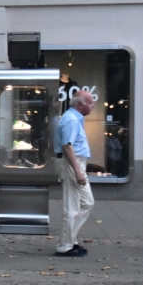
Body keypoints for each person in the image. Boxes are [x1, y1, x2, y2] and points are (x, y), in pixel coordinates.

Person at [55, 89, 96, 257]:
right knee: (72, 206)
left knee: (87, 202)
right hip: (72, 163)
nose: (93, 105)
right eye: (90, 103)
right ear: (80, 105)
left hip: (76, 162)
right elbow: (67, 146)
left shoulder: (74, 118)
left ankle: (71, 240)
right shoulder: (71, 120)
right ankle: (65, 245)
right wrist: (78, 171)